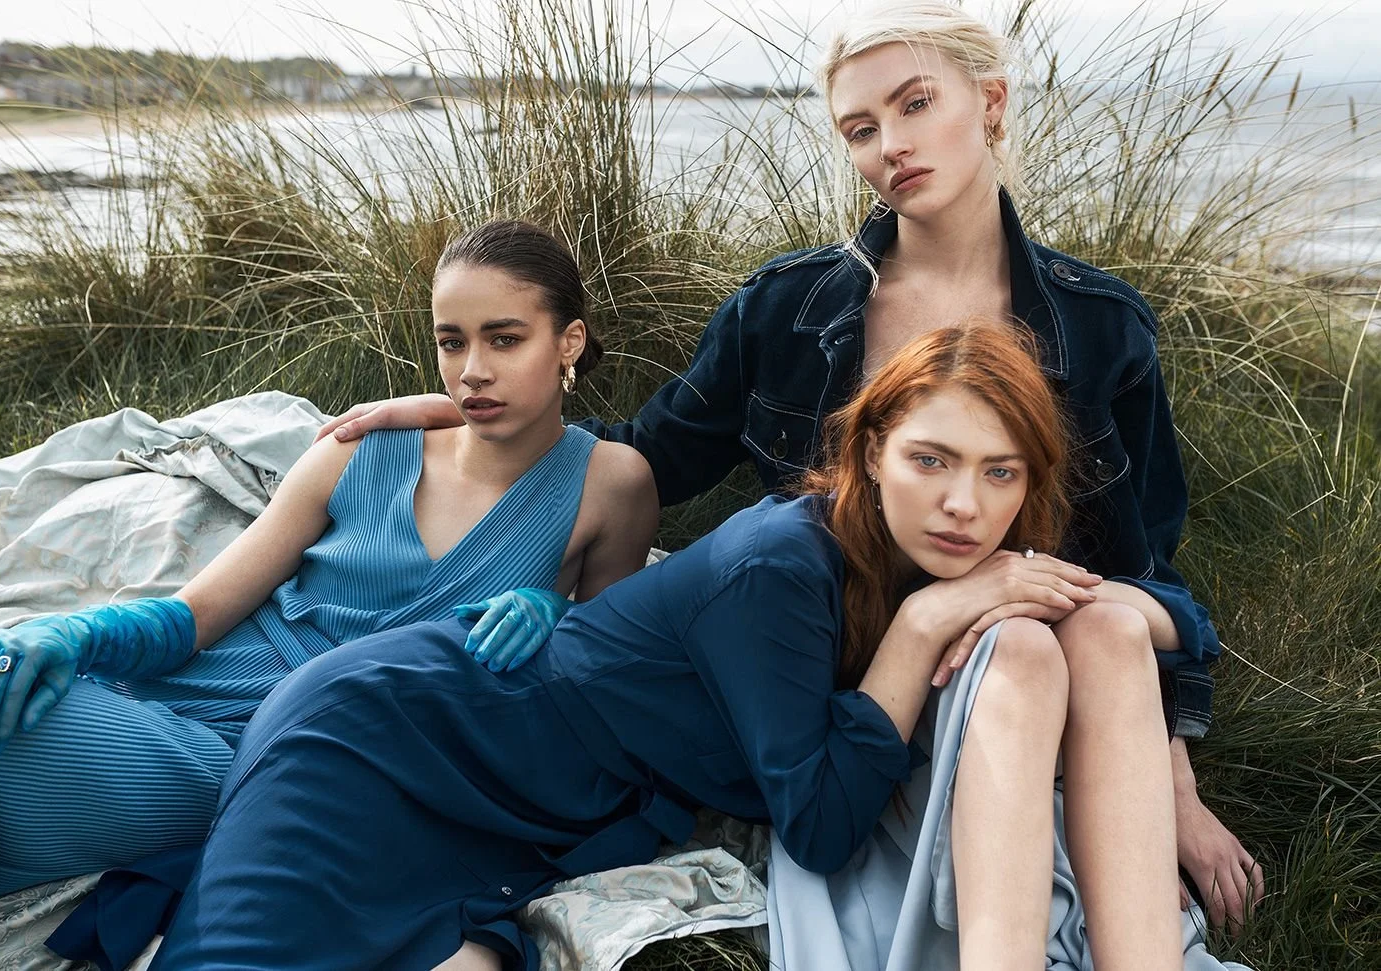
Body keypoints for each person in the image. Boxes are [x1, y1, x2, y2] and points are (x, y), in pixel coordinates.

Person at [317, 0, 1262, 929]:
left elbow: (1145, 572)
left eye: (915, 103)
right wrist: (473, 406)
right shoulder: (787, 306)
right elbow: (645, 454)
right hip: (841, 689)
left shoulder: (1098, 326)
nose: (889, 143)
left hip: (1027, 657)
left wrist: (1172, 784)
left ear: (993, 103)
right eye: (860, 126)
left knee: (1093, 621)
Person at [147, 323, 1199, 971]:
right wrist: (922, 625)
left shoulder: (950, 534)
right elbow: (824, 825)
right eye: (932, 458)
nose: (967, 503)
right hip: (388, 736)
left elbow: (1175, 620)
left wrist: (1110, 609)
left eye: (1001, 473)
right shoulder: (781, 567)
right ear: (873, 450)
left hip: (541, 802)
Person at [0, 219, 658, 971]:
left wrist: (558, 616)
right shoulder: (360, 451)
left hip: (289, 766)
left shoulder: (611, 484)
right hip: (169, 718)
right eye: (452, 341)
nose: (472, 371)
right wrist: (74, 637)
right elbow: (196, 614)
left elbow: (609, 677)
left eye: (504, 338)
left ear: (570, 341)